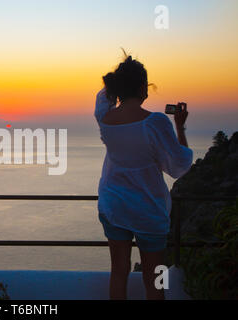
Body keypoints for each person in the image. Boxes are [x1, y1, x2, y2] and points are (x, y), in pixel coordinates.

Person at [94, 54, 193, 300]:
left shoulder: (105, 119)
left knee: (118, 272)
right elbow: (179, 165)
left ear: (118, 87)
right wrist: (180, 126)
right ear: (142, 88)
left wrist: (116, 82)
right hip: (149, 211)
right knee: (154, 281)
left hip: (114, 206)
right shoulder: (155, 122)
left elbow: (102, 99)